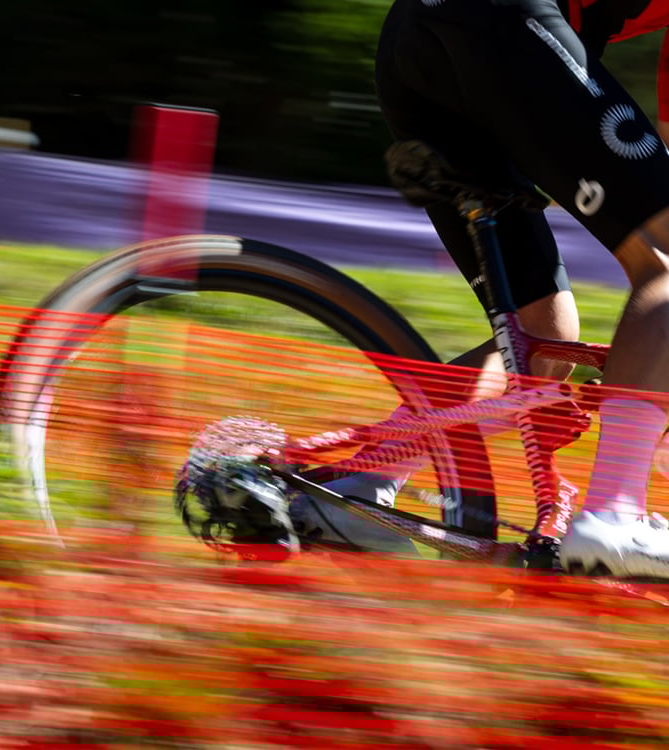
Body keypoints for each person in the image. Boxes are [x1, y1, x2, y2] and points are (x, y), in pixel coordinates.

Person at [278, 0, 669, 578]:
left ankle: (361, 488)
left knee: (543, 339)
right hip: (504, 23)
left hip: (422, 42)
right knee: (663, 258)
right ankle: (614, 514)